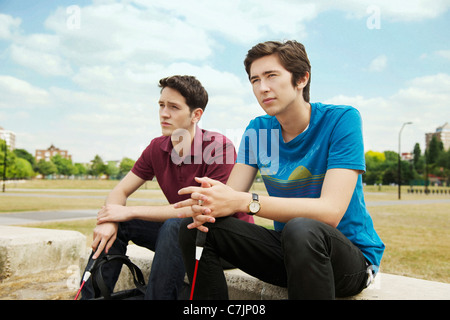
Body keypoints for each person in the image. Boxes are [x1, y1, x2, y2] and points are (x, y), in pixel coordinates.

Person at [175, 40, 385, 299]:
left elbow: (330, 212)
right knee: (197, 228)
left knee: (302, 228)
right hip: (290, 255)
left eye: (271, 76)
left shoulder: (341, 120)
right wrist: (207, 203)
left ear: (302, 79)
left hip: (347, 263)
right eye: (255, 80)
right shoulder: (258, 130)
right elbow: (229, 196)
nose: (263, 88)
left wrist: (245, 201)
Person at [81, 75, 253, 300]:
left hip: (224, 242)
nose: (164, 113)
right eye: (161, 105)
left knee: (175, 226)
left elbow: (199, 210)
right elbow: (119, 191)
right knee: (120, 224)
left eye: (173, 107)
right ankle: (87, 298)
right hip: (181, 236)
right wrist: (111, 219)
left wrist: (130, 210)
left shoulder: (218, 147)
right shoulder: (156, 148)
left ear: (196, 115)